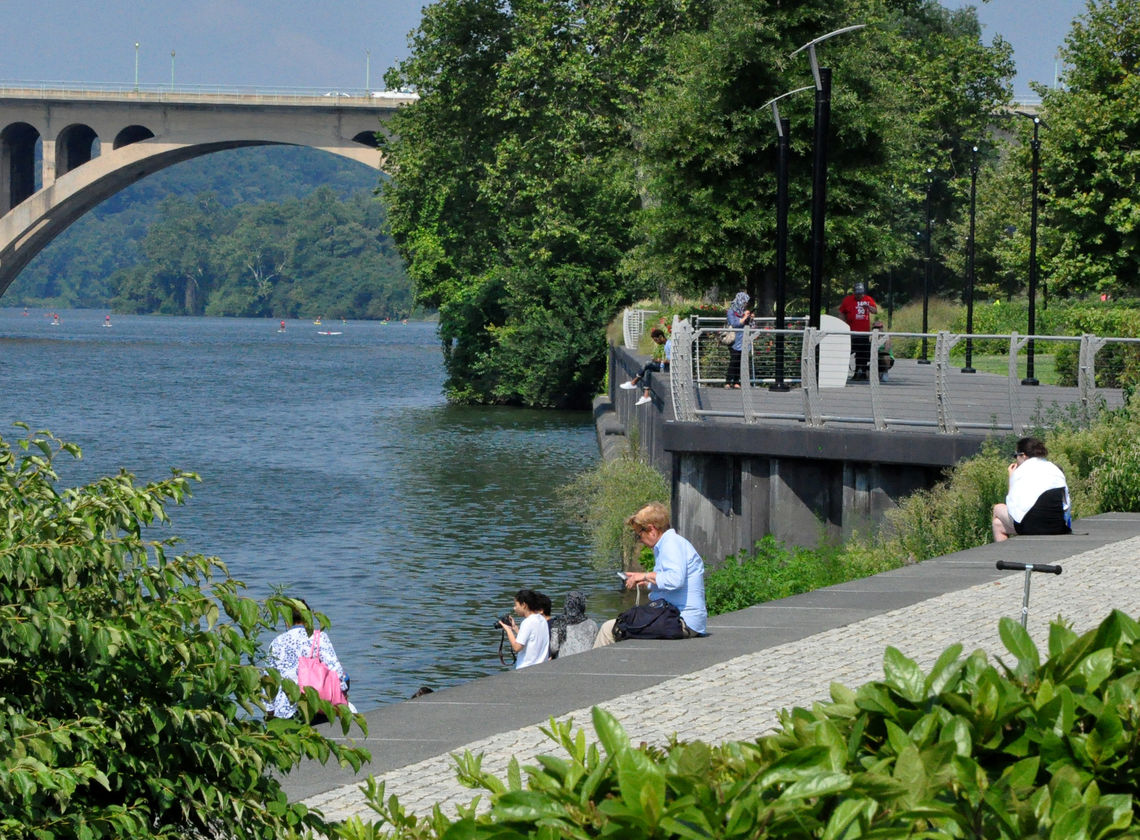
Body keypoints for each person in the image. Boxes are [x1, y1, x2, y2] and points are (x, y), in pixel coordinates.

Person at [594, 502, 707, 647]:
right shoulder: (668, 544)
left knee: (609, 629)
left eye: (639, 535)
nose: (639, 540)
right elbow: (670, 581)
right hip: (675, 617)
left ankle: (591, 667)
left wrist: (645, 576)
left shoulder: (671, 544)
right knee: (626, 621)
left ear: (652, 529)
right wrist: (646, 582)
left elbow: (675, 579)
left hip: (681, 621)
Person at [268, 599, 350, 720]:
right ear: (308, 619)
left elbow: (269, 679)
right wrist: (344, 692)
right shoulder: (319, 637)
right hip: (315, 706)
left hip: (284, 710)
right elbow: (337, 673)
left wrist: (269, 710)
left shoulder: (276, 642)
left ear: (286, 621)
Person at [992, 437, 1072, 542]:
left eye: (1016, 456)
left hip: (1031, 526)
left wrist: (1011, 476)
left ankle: (1004, 554)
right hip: (1057, 526)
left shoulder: (1020, 471)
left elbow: (1012, 505)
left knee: (998, 509)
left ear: (1023, 455)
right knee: (998, 524)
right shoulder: (1054, 468)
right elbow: (1066, 502)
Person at [498, 588, 551, 668]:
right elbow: (531, 640)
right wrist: (515, 628)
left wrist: (508, 630)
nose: (514, 608)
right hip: (541, 667)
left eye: (516, 605)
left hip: (526, 669)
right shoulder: (542, 620)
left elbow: (517, 647)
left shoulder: (527, 622)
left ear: (524, 605)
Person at [619, 327, 671, 406]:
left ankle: (634, 382)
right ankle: (646, 396)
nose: (656, 342)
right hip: (665, 366)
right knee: (648, 371)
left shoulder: (669, 345)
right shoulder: (666, 345)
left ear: (661, 337)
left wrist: (660, 360)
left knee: (648, 364)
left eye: (656, 340)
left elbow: (672, 361)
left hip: (668, 368)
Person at [838, 283, 877, 380]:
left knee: (862, 353)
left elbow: (875, 311)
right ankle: (840, 372)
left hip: (864, 332)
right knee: (848, 351)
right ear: (854, 292)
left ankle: (860, 372)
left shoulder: (868, 299)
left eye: (861, 294)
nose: (859, 296)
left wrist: (868, 307)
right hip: (851, 332)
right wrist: (842, 325)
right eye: (857, 294)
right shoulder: (848, 300)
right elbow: (842, 312)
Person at [548, 590, 598, 659]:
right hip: (586, 661)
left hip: (564, 663)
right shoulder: (592, 624)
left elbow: (554, 648)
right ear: (582, 605)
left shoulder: (558, 623)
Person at [724, 292, 753, 388]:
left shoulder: (745, 311)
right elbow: (734, 323)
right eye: (744, 302)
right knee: (734, 360)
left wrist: (751, 318)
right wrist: (744, 317)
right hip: (734, 339)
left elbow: (751, 326)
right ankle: (728, 381)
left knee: (741, 361)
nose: (745, 304)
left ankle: (737, 381)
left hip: (744, 338)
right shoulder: (731, 311)